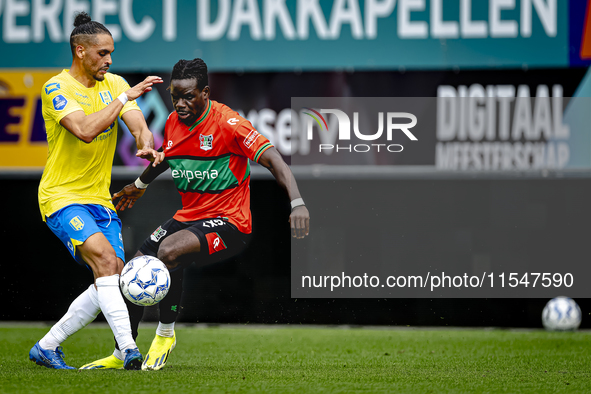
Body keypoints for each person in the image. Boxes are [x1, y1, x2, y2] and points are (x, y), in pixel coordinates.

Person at [80, 58, 309, 371]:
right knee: (133, 269)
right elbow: (165, 157)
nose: (180, 103)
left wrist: (297, 203)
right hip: (189, 215)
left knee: (169, 251)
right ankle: (124, 351)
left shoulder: (230, 124)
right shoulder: (174, 121)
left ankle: (164, 334)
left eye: (188, 96)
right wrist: (139, 184)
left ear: (206, 93)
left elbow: (276, 162)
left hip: (230, 222)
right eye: (175, 96)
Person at [29, 12, 163, 370]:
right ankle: (129, 350)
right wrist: (124, 99)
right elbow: (85, 129)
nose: (109, 60)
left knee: (113, 275)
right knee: (105, 261)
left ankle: (47, 345)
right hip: (61, 196)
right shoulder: (56, 88)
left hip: (99, 199)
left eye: (111, 53)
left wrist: (144, 142)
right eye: (103, 53)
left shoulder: (115, 84)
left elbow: (139, 126)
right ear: (80, 51)